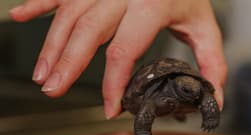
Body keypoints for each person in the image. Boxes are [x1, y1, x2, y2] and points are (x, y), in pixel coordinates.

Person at [9, 0, 227, 119]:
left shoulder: (195, 88)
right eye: (189, 91)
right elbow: (148, 104)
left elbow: (203, 96)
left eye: (195, 90)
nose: (197, 93)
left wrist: (209, 112)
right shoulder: (157, 91)